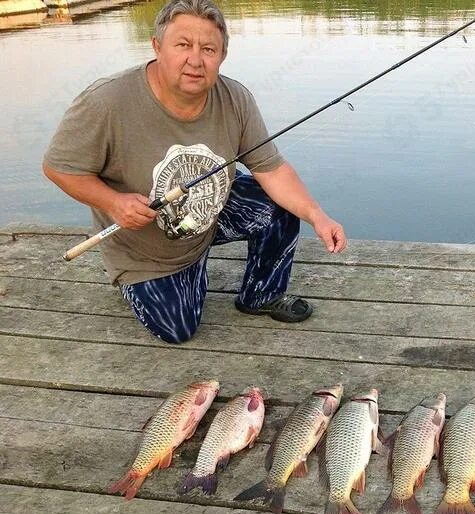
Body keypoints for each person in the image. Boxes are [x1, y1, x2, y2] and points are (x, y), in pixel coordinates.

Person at [43, 0, 346, 344]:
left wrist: (317, 216)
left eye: (208, 49)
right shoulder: (106, 100)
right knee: (178, 329)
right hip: (144, 247)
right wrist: (113, 202)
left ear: (222, 56)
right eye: (183, 45)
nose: (195, 60)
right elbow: (60, 168)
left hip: (207, 211)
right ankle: (136, 280)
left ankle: (260, 295)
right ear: (157, 47)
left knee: (281, 206)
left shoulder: (235, 98)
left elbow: (272, 169)